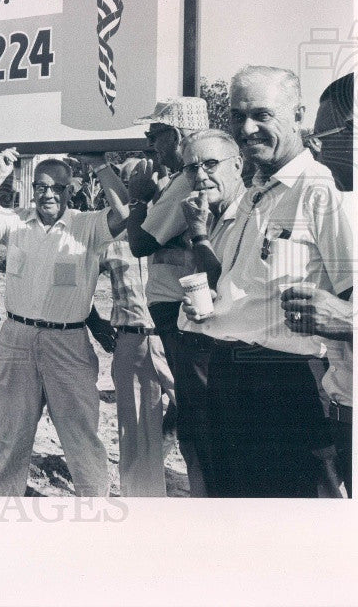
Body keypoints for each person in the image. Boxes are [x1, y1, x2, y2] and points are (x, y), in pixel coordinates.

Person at [181, 65, 350, 498]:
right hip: (230, 376)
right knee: (239, 518)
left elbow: (355, 300)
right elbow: (242, 284)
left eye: (261, 114)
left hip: (286, 385)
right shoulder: (254, 189)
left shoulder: (318, 190)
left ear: (297, 115)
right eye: (237, 116)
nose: (247, 128)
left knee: (299, 526)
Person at [0, 149, 127, 496]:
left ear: (71, 190)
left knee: (81, 434)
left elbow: (125, 214)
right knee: (10, 432)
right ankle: (1, 513)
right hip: (17, 337)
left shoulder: (88, 225)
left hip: (68, 343)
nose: (48, 194)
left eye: (57, 188)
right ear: (32, 189)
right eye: (40, 187)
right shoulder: (16, 221)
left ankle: (95, 512)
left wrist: (100, 165)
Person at [126, 96, 211, 495]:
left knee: (194, 406)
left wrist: (139, 198)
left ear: (175, 134)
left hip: (179, 303)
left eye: (154, 134)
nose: (150, 145)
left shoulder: (184, 181)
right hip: (180, 300)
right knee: (189, 401)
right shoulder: (183, 179)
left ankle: (203, 489)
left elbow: (141, 243)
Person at [280, 73, 354, 494]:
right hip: (345, 411)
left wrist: (349, 321)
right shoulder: (350, 208)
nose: (317, 148)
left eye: (324, 135)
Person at [165, 129, 246, 491]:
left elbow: (225, 286)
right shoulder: (212, 210)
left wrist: (198, 235)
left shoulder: (247, 213)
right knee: (199, 446)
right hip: (199, 344)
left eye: (210, 164)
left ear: (237, 165)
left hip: (227, 355)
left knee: (221, 455)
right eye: (191, 168)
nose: (200, 175)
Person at [98, 158, 176, 497]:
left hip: (171, 339)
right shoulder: (110, 238)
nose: (135, 188)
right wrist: (94, 322)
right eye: (128, 181)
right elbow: (75, 281)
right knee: (132, 426)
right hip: (130, 339)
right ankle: (138, 499)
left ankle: (161, 476)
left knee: (179, 419)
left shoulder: (171, 226)